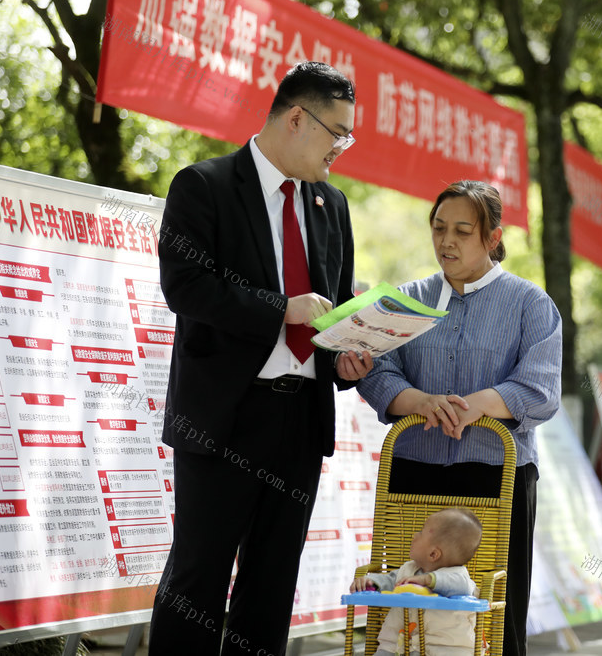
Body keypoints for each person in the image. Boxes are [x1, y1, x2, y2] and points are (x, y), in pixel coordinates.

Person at [150, 61, 373, 656]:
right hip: (225, 415)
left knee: (272, 585)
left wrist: (347, 354)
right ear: (296, 118)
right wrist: (281, 310)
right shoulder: (204, 185)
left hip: (299, 419)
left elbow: (334, 300)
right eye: (337, 133)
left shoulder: (333, 205)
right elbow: (187, 287)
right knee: (198, 580)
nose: (342, 149)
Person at [356, 180, 563, 656]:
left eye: (462, 231)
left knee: (491, 608)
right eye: (439, 228)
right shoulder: (404, 301)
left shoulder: (531, 304)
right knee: (409, 605)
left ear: (493, 237)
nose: (446, 241)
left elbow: (540, 389)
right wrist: (422, 402)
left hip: (496, 473)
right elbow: (379, 370)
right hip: (414, 471)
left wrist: (469, 407)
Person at [350, 508, 483, 655]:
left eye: (420, 532)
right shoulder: (408, 569)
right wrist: (371, 582)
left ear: (433, 554)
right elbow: (389, 581)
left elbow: (463, 586)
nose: (414, 535)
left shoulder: (459, 576)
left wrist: (427, 580)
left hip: (445, 648)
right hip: (397, 645)